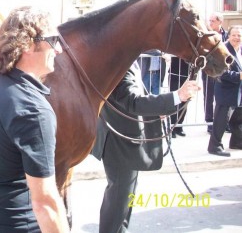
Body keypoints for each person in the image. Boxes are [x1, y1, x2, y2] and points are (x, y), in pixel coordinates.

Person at [0, 6, 69, 233]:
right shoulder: (34, 110)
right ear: (27, 44)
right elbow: (45, 203)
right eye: (52, 40)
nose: (58, 50)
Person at [91, 61, 200, 233]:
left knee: (125, 200)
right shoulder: (119, 62)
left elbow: (133, 98)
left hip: (124, 140)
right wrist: (177, 96)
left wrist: (157, 110)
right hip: (119, 143)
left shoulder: (127, 57)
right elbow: (133, 101)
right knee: (119, 200)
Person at [208, 25, 242, 157]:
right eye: (234, 35)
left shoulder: (240, 49)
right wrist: (238, 76)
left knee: (238, 119)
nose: (237, 38)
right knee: (221, 120)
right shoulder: (223, 49)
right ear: (229, 35)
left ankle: (237, 142)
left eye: (239, 35)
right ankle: (214, 146)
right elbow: (220, 72)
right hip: (226, 90)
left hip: (239, 91)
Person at [202, 12, 228, 133]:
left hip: (223, 70)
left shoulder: (227, 35)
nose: (210, 23)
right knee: (208, 96)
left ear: (220, 22)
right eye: (210, 20)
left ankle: (223, 122)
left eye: (213, 21)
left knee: (223, 97)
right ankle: (209, 121)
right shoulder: (206, 35)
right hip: (209, 69)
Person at [168, 56, 190, 137]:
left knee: (185, 101)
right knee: (175, 101)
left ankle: (179, 126)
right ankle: (172, 128)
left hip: (187, 74)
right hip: (175, 73)